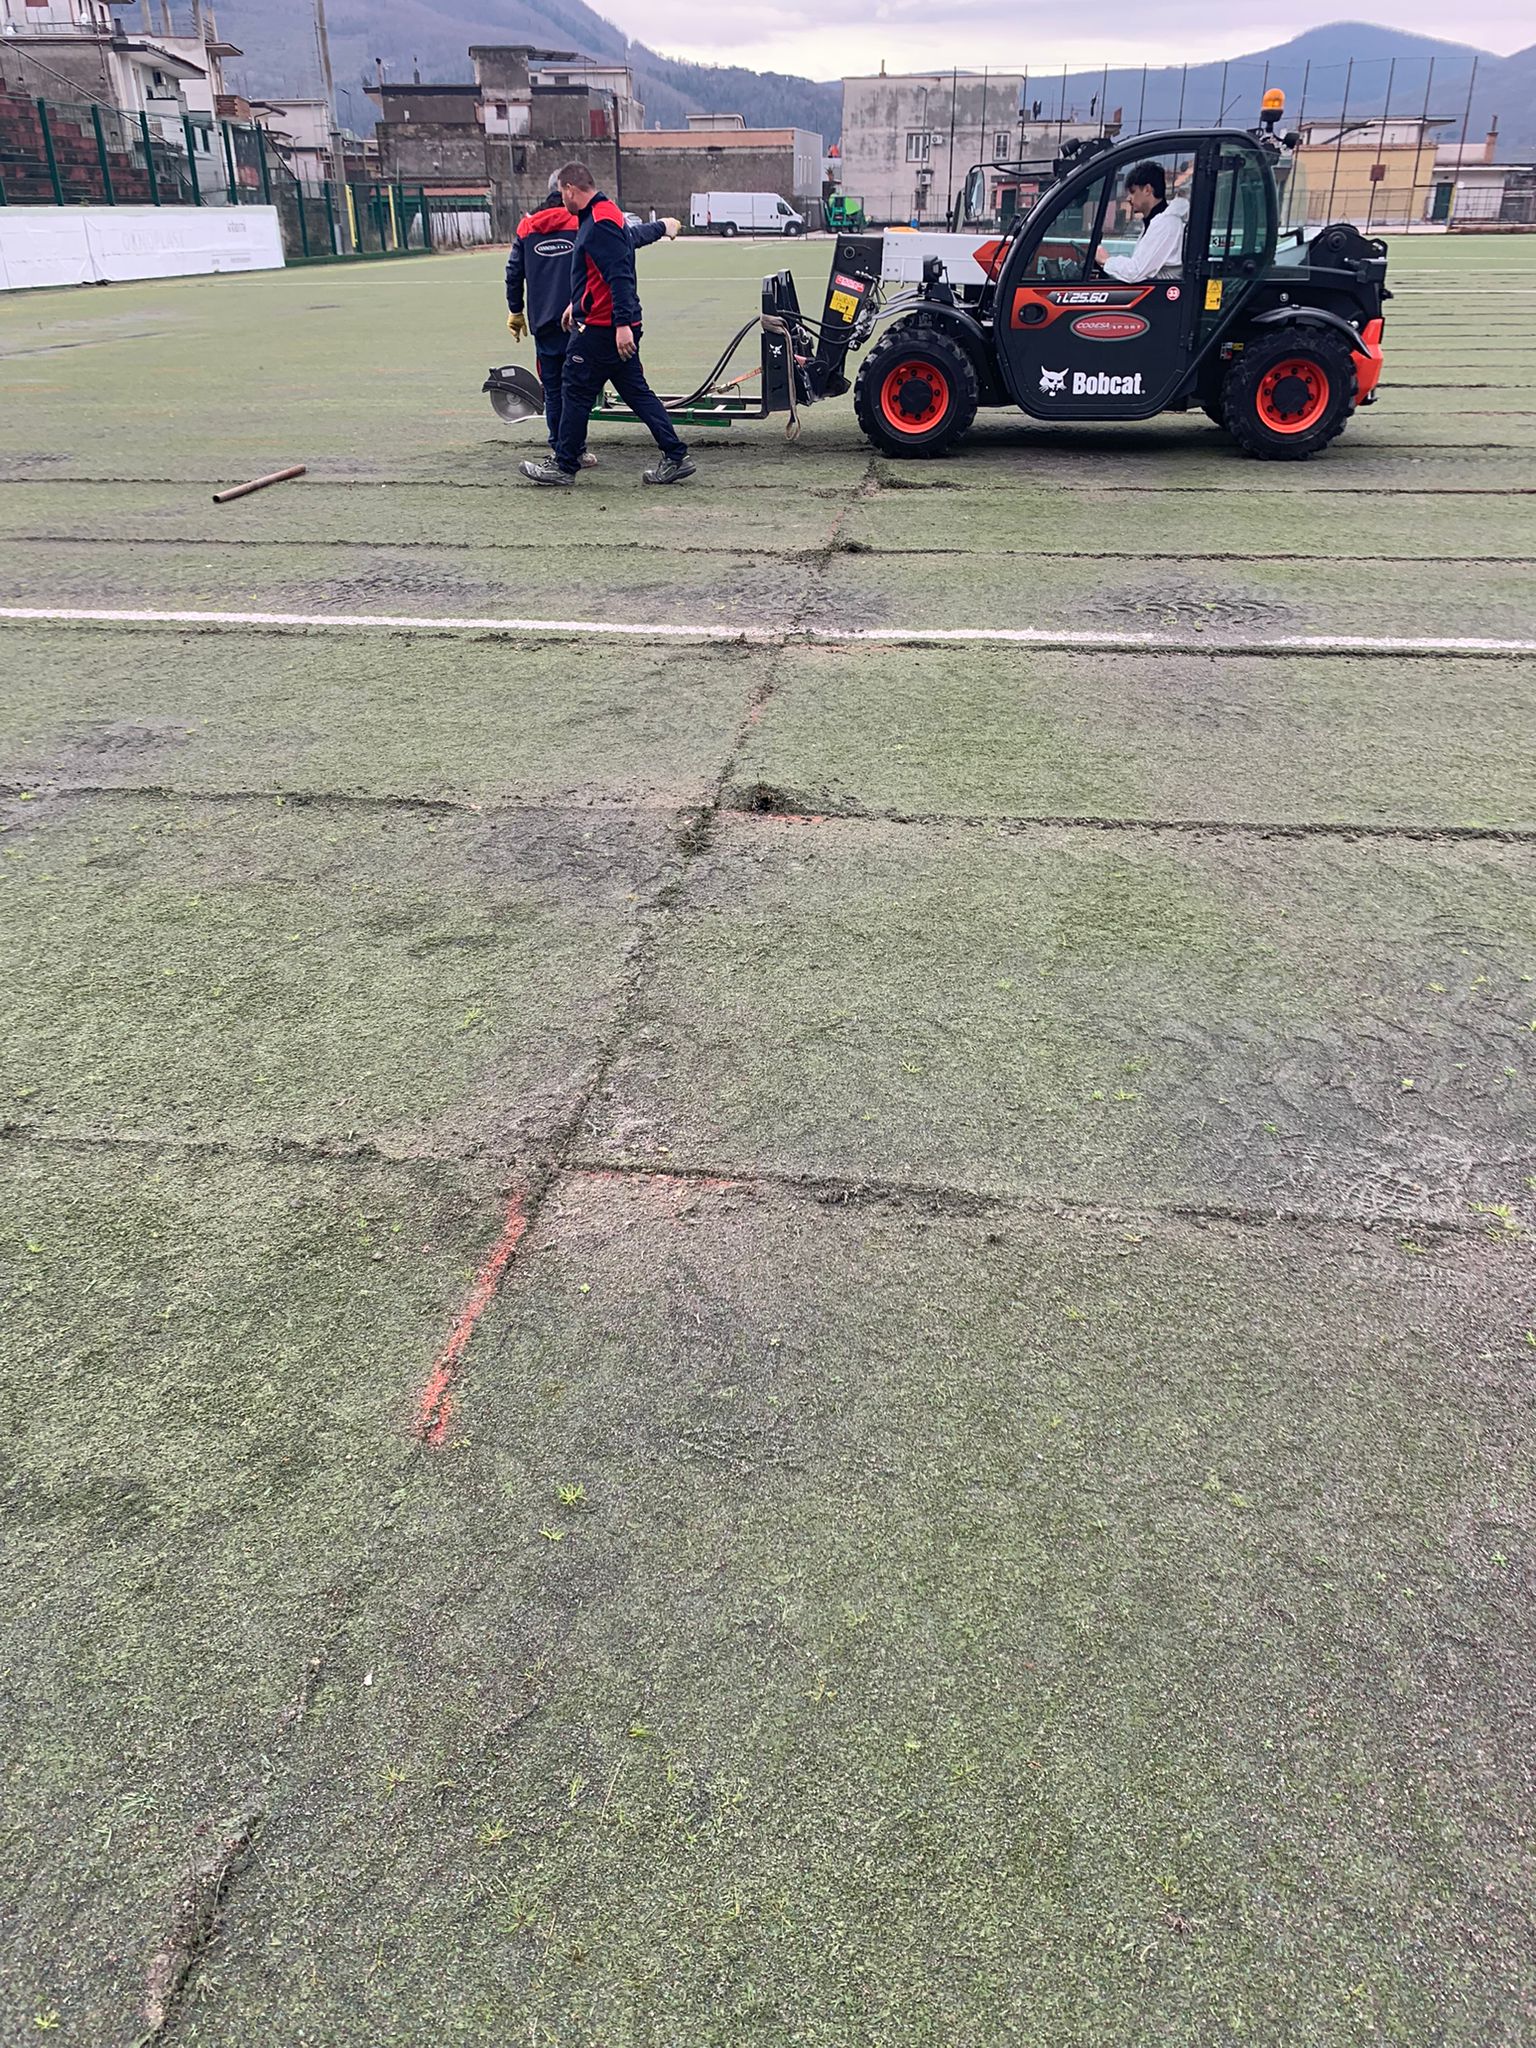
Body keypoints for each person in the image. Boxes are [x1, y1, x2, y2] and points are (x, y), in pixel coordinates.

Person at [519, 161, 695, 488]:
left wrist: (623, 324)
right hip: (605, 322)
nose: (561, 200)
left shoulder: (599, 223)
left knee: (573, 387)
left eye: (561, 193)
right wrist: (578, 303)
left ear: (571, 189)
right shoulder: (602, 214)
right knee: (636, 393)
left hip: (604, 329)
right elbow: (608, 262)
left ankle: (564, 465)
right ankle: (676, 456)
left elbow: (620, 275)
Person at [1095, 161, 1188, 284]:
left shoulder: (1166, 224)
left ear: (1147, 190)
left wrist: (1106, 261)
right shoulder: (1155, 221)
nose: (1128, 198)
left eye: (1133, 192)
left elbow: (1135, 272)